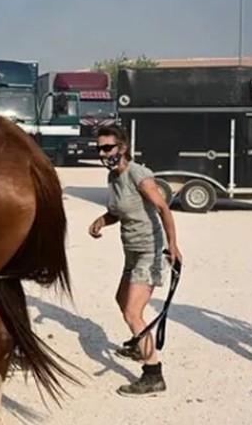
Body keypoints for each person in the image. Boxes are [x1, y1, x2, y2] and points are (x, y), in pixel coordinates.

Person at [87, 125, 182, 398]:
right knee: (121, 300)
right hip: (131, 251)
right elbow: (118, 211)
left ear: (122, 148)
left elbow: (162, 207)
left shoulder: (137, 174)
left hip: (149, 252)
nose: (103, 153)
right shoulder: (112, 178)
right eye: (99, 149)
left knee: (132, 312)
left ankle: (153, 375)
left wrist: (172, 245)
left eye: (108, 148)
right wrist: (101, 221)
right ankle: (140, 344)